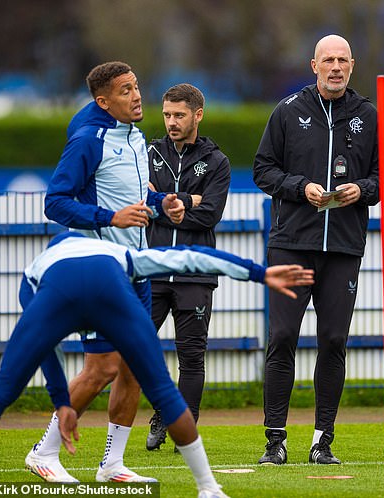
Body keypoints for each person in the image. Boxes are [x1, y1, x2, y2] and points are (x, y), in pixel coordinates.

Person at [0, 232, 314, 498]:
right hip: (111, 291)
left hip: (57, 292)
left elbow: (45, 348)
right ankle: (209, 487)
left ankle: (112, 464)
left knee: (0, 393)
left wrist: (61, 402)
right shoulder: (122, 255)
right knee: (165, 392)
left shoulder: (36, 269)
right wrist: (259, 273)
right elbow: (191, 257)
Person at [27, 61, 186, 483]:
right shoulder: (87, 139)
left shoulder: (134, 138)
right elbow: (55, 202)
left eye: (136, 86)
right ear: (103, 101)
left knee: (136, 363)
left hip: (136, 269)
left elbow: (135, 198)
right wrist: (109, 218)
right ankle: (44, 452)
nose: (136, 96)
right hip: (98, 270)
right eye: (124, 90)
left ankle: (112, 464)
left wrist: (163, 202)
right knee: (101, 369)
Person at [252, 34, 384, 465]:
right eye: (327, 60)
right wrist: (300, 187)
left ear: (352, 65)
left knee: (334, 341)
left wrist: (361, 190)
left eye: (342, 60)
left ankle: (322, 440)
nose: (335, 67)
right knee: (281, 338)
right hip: (292, 244)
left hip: (344, 248)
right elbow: (263, 169)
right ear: (313, 65)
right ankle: (275, 440)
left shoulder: (369, 115)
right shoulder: (287, 111)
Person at [145, 83, 231, 451]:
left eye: (179, 115)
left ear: (198, 115)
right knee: (139, 350)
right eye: (166, 114)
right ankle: (162, 411)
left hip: (196, 274)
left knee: (191, 357)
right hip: (152, 271)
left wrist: (169, 204)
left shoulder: (217, 162)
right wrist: (184, 200)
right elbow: (142, 205)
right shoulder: (148, 153)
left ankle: (184, 432)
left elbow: (209, 214)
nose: (171, 122)